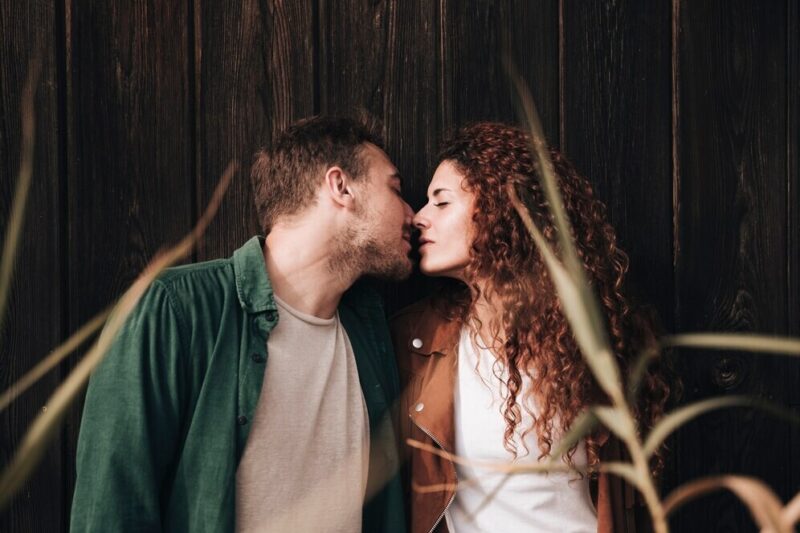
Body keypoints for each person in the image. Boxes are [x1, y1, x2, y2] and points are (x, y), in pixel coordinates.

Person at [71, 116, 412, 533]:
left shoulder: (370, 328)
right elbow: (110, 511)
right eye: (395, 189)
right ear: (340, 187)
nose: (413, 214)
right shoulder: (176, 310)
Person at [392, 122, 671, 533]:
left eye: (441, 202)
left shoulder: (601, 334)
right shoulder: (416, 340)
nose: (419, 217)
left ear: (501, 208)